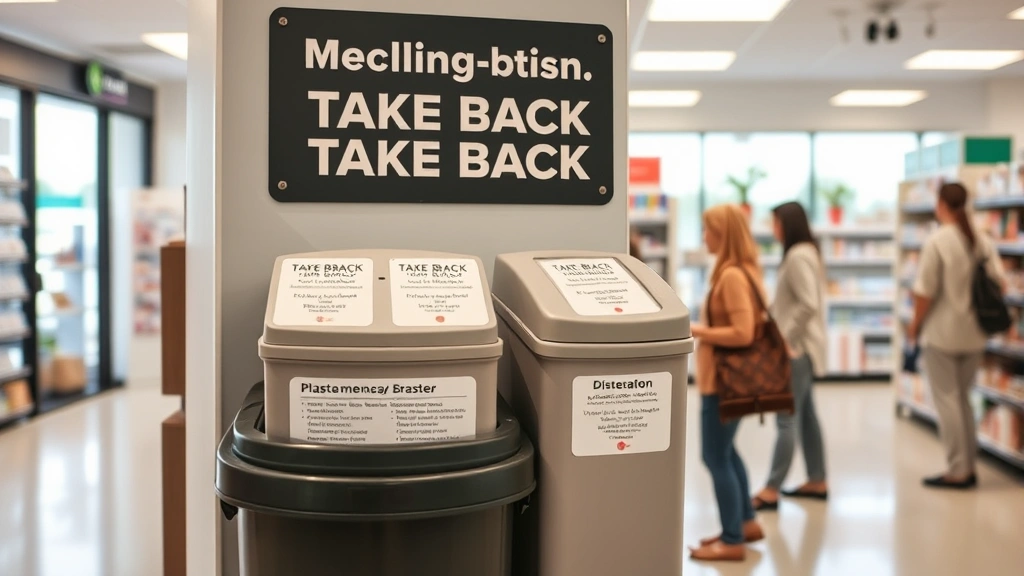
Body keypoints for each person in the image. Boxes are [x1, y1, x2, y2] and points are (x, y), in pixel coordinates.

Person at [909, 182, 1005, 489]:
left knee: (947, 401)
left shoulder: (938, 241)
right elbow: (1001, 284)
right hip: (975, 333)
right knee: (964, 399)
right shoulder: (982, 240)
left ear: (941, 205)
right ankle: (969, 465)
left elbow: (924, 293)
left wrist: (914, 326)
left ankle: (957, 470)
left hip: (942, 334)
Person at [688, 204, 765, 562]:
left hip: (723, 382)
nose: (704, 236)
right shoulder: (741, 270)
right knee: (728, 452)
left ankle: (733, 539)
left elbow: (744, 332)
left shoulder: (732, 275)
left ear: (724, 234)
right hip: (730, 381)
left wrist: (696, 329)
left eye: (708, 230)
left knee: (714, 455)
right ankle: (745, 522)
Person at [751, 201, 828, 511]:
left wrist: (785, 340)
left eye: (776, 224)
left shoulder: (797, 256)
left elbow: (807, 304)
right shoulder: (809, 252)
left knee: (786, 419)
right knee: (806, 416)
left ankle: (771, 488)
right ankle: (817, 479)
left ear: (787, 224)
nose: (774, 230)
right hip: (806, 348)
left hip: (797, 350)